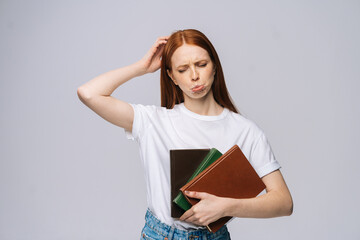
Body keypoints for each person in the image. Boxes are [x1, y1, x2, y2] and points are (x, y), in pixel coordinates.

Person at [77, 29, 293, 240]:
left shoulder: (245, 131)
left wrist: (226, 206)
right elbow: (89, 93)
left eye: (202, 64)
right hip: (160, 235)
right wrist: (142, 67)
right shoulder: (153, 121)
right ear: (171, 75)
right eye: (182, 69)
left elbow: (284, 202)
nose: (194, 76)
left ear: (215, 66)